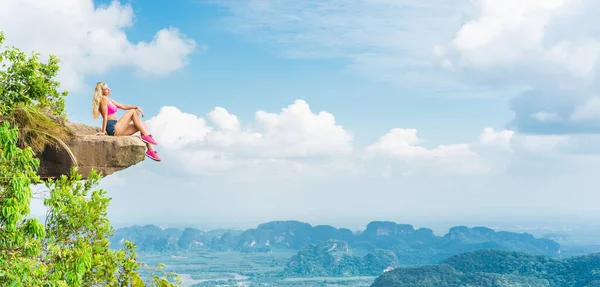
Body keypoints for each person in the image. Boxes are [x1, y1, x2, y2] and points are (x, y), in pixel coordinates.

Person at [92, 82, 161, 162]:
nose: (108, 90)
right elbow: (105, 116)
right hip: (112, 127)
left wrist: (136, 106)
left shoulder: (109, 100)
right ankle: (147, 135)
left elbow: (123, 106)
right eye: (106, 89)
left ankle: (150, 151)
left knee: (143, 125)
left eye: (108, 88)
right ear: (101, 91)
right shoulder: (103, 99)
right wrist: (103, 131)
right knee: (132, 112)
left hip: (117, 126)